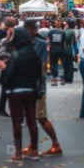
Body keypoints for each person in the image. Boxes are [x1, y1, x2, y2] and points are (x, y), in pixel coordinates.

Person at [0, 27, 43, 162]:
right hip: (31, 90)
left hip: (16, 91)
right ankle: (34, 150)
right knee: (32, 120)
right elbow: (38, 73)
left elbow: (9, 74)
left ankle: (18, 152)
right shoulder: (35, 54)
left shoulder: (15, 55)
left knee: (17, 122)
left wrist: (3, 68)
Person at [25, 21, 63, 157]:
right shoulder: (26, 44)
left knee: (40, 117)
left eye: (31, 28)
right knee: (31, 118)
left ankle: (55, 144)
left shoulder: (40, 44)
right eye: (28, 28)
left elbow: (41, 65)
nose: (30, 31)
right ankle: (32, 145)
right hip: (29, 85)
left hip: (37, 85)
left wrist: (40, 85)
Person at [0, 17, 18, 117]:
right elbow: (2, 47)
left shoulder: (2, 31)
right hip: (9, 64)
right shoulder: (10, 34)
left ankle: (2, 109)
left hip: (6, 63)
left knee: (6, 88)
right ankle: (7, 109)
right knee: (9, 88)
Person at [47, 21, 67, 86]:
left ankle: (54, 80)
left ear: (54, 25)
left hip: (53, 50)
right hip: (61, 50)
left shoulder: (51, 31)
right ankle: (62, 79)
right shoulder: (63, 32)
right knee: (61, 65)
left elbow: (49, 41)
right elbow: (64, 42)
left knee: (53, 65)